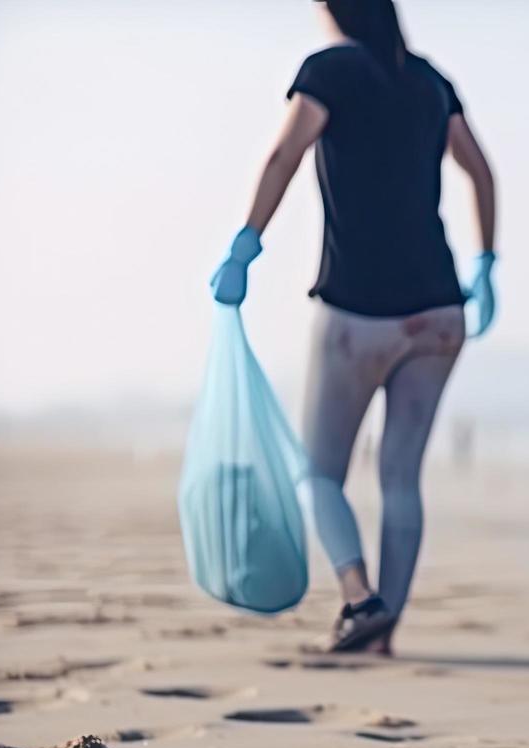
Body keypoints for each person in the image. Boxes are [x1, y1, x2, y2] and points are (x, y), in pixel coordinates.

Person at [211, 0, 497, 654]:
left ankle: (359, 600)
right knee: (401, 477)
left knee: (319, 476)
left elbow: (284, 154)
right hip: (439, 312)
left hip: (355, 314)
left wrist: (244, 246)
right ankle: (381, 634)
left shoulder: (329, 72)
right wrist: (485, 262)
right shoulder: (430, 81)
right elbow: (479, 171)